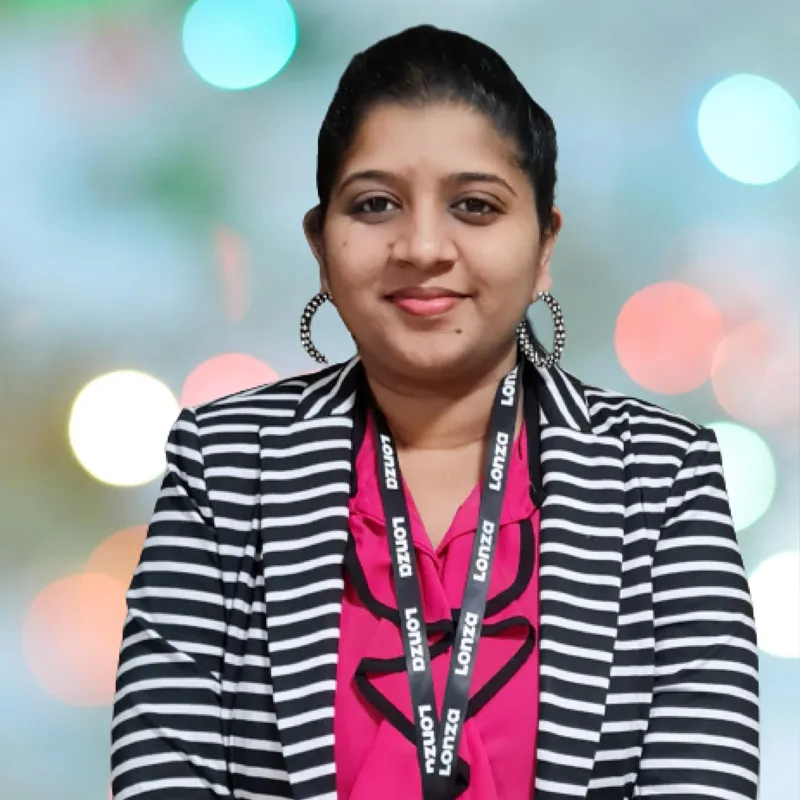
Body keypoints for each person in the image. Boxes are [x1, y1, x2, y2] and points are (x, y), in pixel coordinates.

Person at [110, 24, 759, 800]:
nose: (423, 246)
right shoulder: (224, 463)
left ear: (544, 245)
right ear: (321, 243)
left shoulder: (666, 476)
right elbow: (161, 778)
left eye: (475, 206)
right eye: (376, 204)